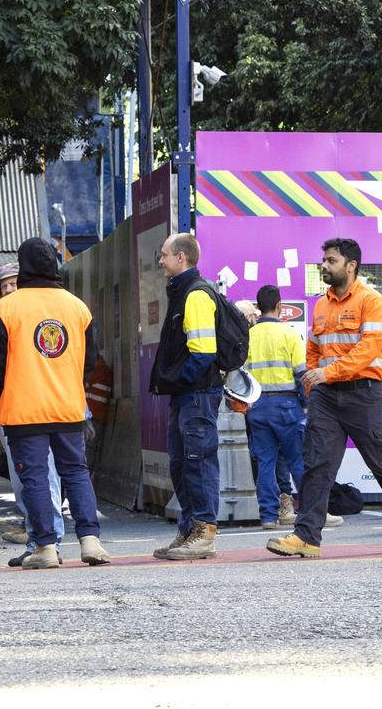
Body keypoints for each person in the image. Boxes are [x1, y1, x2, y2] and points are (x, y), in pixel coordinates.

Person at [266, 238, 382, 558]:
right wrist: (314, 380)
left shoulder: (372, 300)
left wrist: (328, 373)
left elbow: (368, 349)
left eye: (331, 261)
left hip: (364, 394)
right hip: (326, 396)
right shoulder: (321, 304)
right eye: (323, 260)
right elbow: (313, 348)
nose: (324, 266)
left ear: (350, 266)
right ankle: (306, 536)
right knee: (317, 465)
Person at [0, 238, 111, 569]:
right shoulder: (77, 307)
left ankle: (46, 546)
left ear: (23, 266)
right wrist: (71, 387)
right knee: (76, 471)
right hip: (68, 405)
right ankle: (90, 540)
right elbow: (89, 361)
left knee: (36, 477)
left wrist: (2, 402)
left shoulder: (6, 308)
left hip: (24, 410)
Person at [149, 234, 224, 560]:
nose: (161, 261)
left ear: (181, 258)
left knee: (197, 461)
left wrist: (178, 380)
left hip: (196, 394)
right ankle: (189, 529)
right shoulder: (184, 293)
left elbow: (203, 353)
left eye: (164, 255)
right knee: (181, 464)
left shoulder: (194, 296)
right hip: (188, 395)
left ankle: (203, 532)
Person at [0, 262, 68, 564]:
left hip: (37, 406)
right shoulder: (3, 315)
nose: (9, 289)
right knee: (22, 478)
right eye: (4, 285)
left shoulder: (36, 314)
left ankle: (50, 541)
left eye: (14, 283)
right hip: (11, 407)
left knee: (44, 475)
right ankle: (36, 538)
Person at [244, 284, 306, 531]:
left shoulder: (248, 336)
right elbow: (301, 374)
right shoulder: (290, 334)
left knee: (265, 463)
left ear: (258, 308)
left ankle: (268, 516)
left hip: (257, 406)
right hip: (286, 404)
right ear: (280, 306)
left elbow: (241, 377)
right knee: (297, 461)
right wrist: (306, 403)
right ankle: (311, 510)